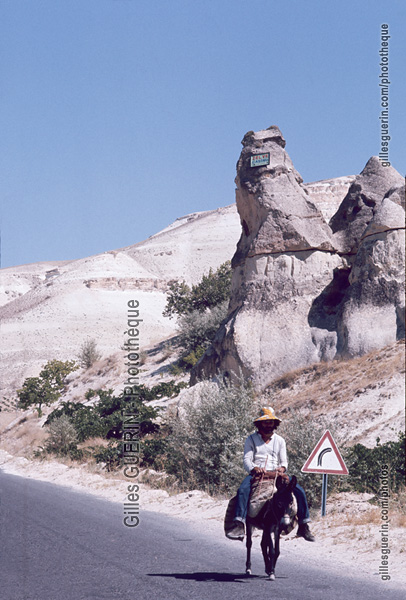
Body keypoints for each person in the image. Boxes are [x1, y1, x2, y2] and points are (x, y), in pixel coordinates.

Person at [227, 406, 315, 542]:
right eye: (265, 422)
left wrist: (282, 468)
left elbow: (284, 461)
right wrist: (254, 468)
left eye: (271, 422)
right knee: (243, 490)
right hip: (258, 474)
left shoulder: (280, 440)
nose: (268, 425)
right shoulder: (251, 439)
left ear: (275, 424)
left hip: (276, 474)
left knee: (299, 491)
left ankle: (303, 525)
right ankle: (239, 523)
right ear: (260, 423)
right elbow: (247, 459)